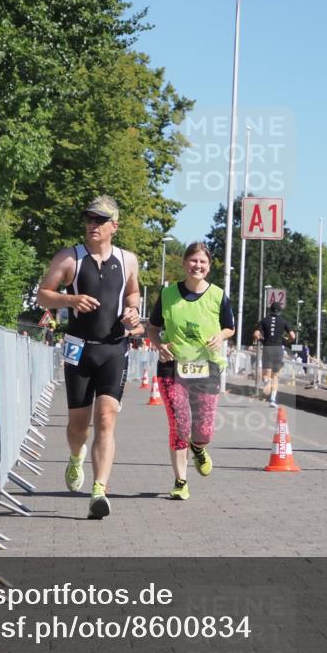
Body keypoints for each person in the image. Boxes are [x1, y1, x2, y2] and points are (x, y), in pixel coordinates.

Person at [36, 195, 140, 519]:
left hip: (113, 348)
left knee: (106, 419)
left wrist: (133, 311)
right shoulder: (70, 258)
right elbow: (43, 295)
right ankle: (75, 456)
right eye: (89, 219)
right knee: (78, 425)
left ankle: (99, 490)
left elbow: (133, 291)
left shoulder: (128, 260)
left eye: (100, 220)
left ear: (114, 226)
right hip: (78, 348)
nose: (92, 225)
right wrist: (71, 299)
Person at [147, 243, 235, 501]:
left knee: (204, 430)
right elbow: (152, 327)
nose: (197, 266)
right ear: (185, 263)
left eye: (203, 262)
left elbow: (230, 327)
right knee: (180, 424)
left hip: (207, 367)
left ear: (208, 267)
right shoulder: (168, 295)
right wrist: (158, 344)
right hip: (172, 367)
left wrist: (220, 336)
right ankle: (180, 481)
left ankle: (198, 447)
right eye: (193, 261)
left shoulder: (218, 296)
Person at [252, 302, 296, 408]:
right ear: (279, 311)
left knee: (266, 374)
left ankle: (266, 381)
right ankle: (272, 400)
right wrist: (286, 341)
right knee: (275, 375)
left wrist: (262, 339)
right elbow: (293, 336)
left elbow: (256, 334)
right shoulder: (283, 321)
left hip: (267, 348)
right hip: (278, 349)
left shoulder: (264, 320)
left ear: (270, 310)